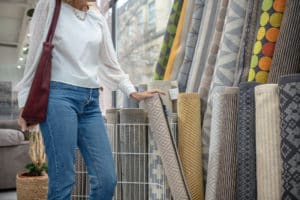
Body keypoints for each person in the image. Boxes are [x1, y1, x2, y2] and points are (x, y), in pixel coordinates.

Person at [16, 0, 161, 199]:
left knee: (106, 181)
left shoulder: (96, 16)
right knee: (62, 180)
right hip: (58, 97)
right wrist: (24, 102)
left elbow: (110, 63)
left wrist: (131, 91)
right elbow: (34, 56)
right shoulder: (50, 5)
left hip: (91, 101)